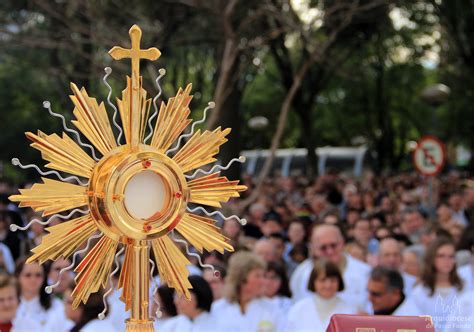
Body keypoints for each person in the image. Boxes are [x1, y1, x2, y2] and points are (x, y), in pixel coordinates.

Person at [290, 224, 371, 308]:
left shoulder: (364, 272)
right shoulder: (301, 274)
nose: (330, 251)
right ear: (313, 248)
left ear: (342, 243)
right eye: (323, 247)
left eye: (333, 245)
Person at [409, 237, 465, 332]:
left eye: (451, 256)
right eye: (441, 256)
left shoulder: (464, 288)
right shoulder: (420, 292)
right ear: (431, 258)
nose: (447, 260)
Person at [214, 251, 279, 332]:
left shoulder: (272, 309)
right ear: (241, 279)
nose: (264, 281)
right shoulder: (217, 309)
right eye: (257, 276)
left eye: (263, 276)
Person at [286, 260, 357, 331]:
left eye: (333, 280)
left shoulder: (349, 311)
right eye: (322, 280)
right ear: (313, 281)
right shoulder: (298, 309)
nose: (328, 285)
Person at [13, 258, 70, 331]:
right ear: (18, 277)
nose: (33, 279)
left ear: (44, 278)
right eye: (28, 275)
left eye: (38, 275)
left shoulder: (56, 306)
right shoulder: (8, 304)